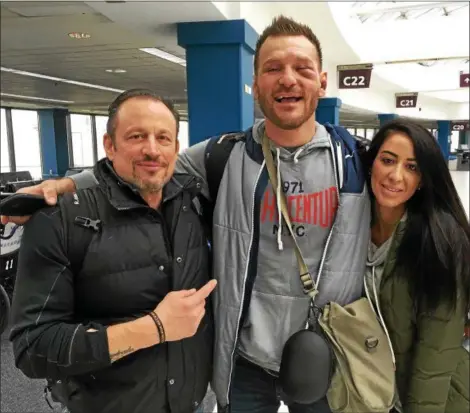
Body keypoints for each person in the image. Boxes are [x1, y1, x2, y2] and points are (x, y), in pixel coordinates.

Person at [3, 16, 371, 413]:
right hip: (242, 358)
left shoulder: (357, 162)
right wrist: (69, 185)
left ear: (322, 82)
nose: (287, 79)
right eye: (272, 68)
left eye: (301, 68)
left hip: (328, 353)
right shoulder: (222, 157)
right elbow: (147, 167)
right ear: (255, 83)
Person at [8, 89, 217, 413]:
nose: (152, 149)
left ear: (176, 148)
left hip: (191, 404)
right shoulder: (59, 220)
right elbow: (33, 349)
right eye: (136, 136)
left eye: (163, 138)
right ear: (110, 145)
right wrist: (155, 328)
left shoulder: (193, 204)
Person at [363, 119, 470, 413]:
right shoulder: (353, 223)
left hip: (431, 398)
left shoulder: (440, 241)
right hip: (371, 392)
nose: (396, 176)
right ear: (371, 163)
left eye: (412, 167)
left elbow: (436, 355)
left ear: (423, 178)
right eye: (387, 160)